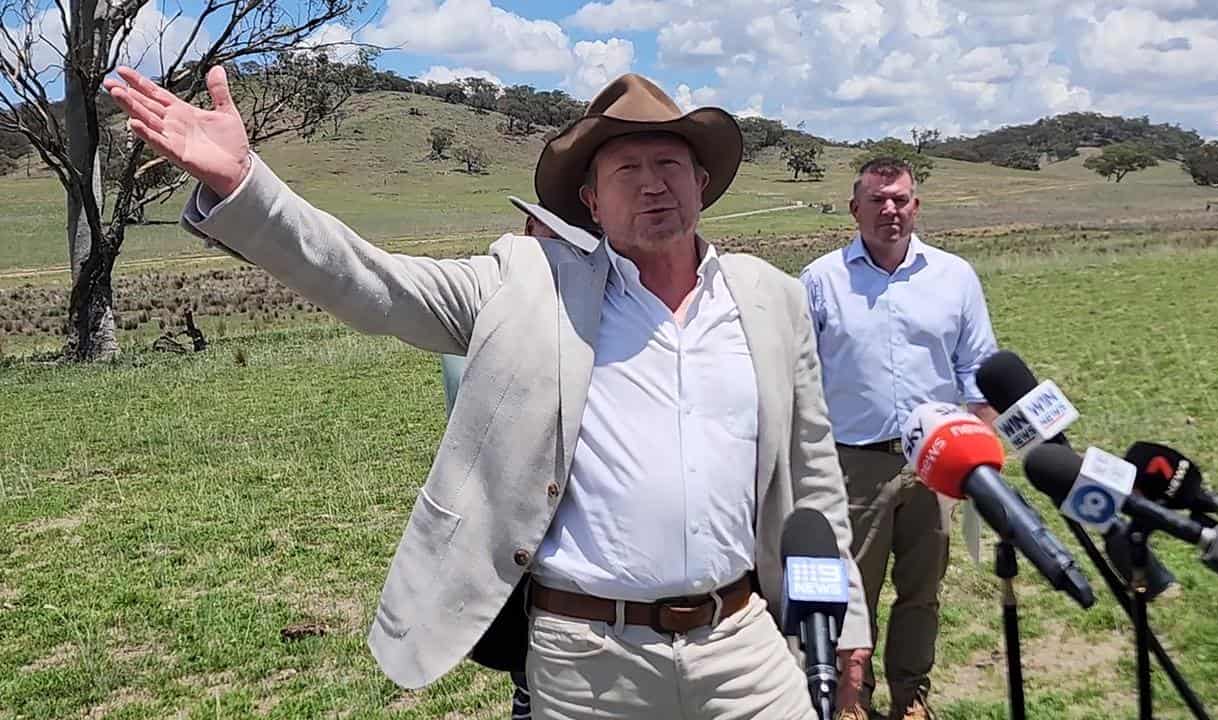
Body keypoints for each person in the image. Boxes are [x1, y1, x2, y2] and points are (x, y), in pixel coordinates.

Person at [105, 65, 873, 719]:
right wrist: (248, 186)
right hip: (587, 660)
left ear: (701, 183)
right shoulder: (527, 281)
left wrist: (846, 627)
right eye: (626, 171)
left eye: (669, 165)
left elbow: (813, 480)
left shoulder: (770, 299)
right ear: (592, 205)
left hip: (742, 644)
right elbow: (375, 285)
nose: (652, 186)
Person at [800, 157, 999, 720]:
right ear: (854, 208)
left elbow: (978, 371)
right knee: (848, 590)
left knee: (922, 590)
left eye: (901, 199)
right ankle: (850, 698)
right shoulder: (820, 280)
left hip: (935, 462)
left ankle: (911, 696)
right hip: (850, 465)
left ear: (916, 206)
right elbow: (800, 377)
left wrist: (979, 460)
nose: (891, 210)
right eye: (878, 200)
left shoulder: (954, 276)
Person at [442, 200, 583, 720]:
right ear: (529, 229)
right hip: (511, 497)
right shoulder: (489, 299)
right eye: (557, 229)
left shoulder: (587, 300)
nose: (569, 242)